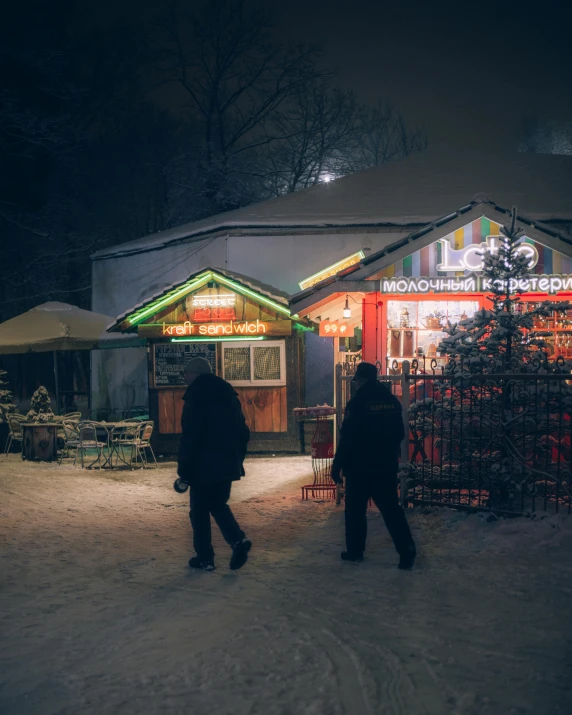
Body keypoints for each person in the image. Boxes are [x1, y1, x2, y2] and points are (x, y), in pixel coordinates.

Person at [331, 362, 416, 569]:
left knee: (355, 511)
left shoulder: (356, 403)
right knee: (391, 510)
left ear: (361, 379)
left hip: (359, 466)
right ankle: (407, 550)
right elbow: (400, 434)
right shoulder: (391, 402)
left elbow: (347, 438)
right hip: (384, 466)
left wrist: (337, 465)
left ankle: (355, 551)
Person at [175, 357, 251, 572]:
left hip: (202, 465)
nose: (184, 377)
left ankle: (205, 557)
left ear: (195, 374)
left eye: (186, 373)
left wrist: (185, 470)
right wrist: (237, 458)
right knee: (218, 504)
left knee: (198, 511)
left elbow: (191, 437)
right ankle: (237, 541)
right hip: (227, 462)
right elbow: (243, 432)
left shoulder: (196, 397)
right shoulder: (228, 395)